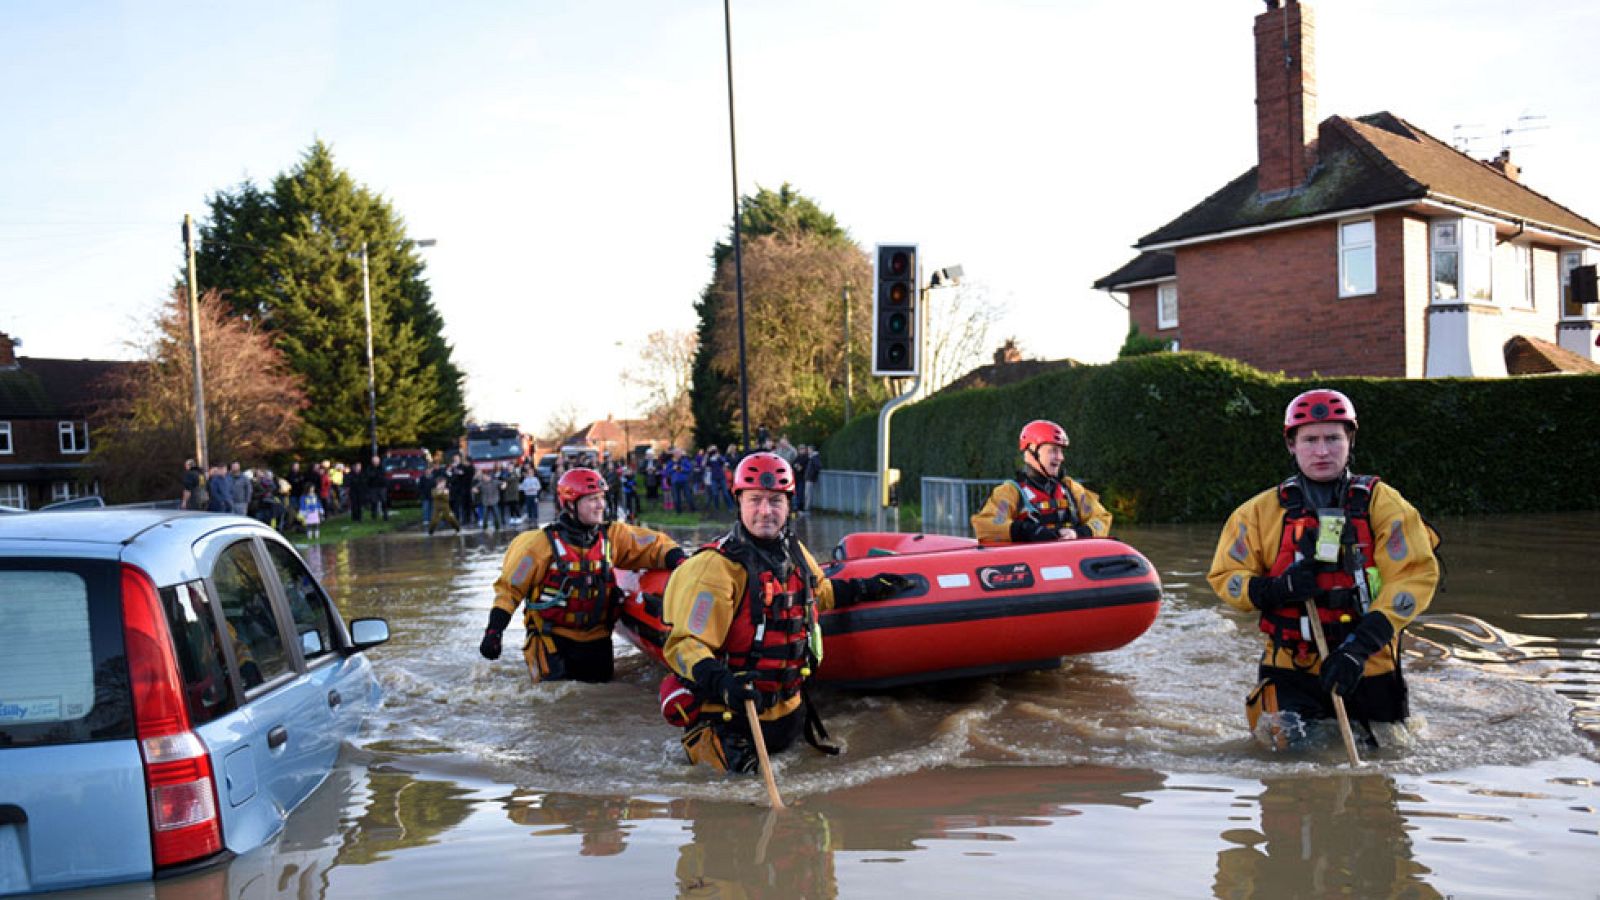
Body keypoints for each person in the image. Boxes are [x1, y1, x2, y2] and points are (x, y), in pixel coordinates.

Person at [1206, 389, 1440, 749]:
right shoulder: (1256, 513)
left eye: (1333, 438)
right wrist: (1278, 589)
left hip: (1368, 662)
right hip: (1290, 667)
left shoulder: (1386, 505)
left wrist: (1357, 650)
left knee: (1385, 764)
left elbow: (1413, 577)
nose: (1322, 451)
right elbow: (1227, 577)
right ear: (1291, 444)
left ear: (1350, 440)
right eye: (1310, 439)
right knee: (1289, 759)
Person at [660, 452, 913, 774]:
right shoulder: (714, 568)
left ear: (789, 504)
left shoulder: (793, 551)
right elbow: (684, 645)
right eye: (755, 500)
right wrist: (723, 682)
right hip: (733, 722)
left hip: (788, 713)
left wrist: (866, 588)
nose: (765, 511)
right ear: (738, 502)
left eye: (775, 501)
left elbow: (818, 595)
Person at [477, 467, 688, 683]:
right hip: (553, 641)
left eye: (602, 498)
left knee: (599, 699)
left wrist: (681, 562)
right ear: (569, 504)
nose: (601, 506)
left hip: (597, 641)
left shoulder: (613, 536)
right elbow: (509, 590)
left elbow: (656, 547)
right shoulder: (539, 545)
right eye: (592, 500)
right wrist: (494, 631)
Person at [970, 419, 1112, 542]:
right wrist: (1028, 531)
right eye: (1053, 451)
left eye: (1061, 451)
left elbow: (1102, 518)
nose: (1061, 457)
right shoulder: (1009, 492)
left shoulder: (1070, 488)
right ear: (1032, 451)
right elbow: (987, 525)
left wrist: (1078, 533)